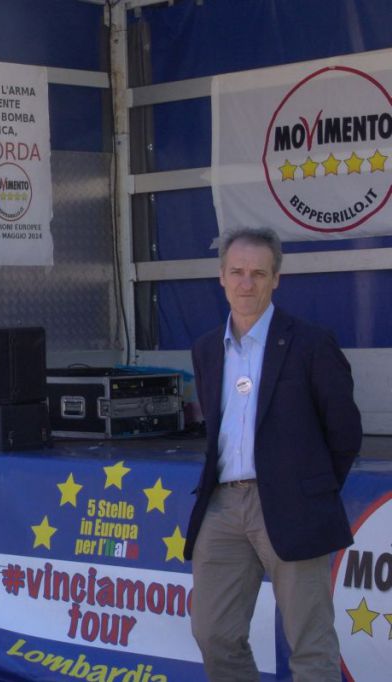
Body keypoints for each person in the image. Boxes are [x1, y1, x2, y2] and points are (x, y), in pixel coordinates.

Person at [184, 227, 362, 681]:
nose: (246, 283)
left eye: (258, 273)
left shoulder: (311, 343)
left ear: (276, 279)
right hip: (222, 506)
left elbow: (345, 431)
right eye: (237, 272)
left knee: (310, 643)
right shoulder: (206, 349)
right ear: (221, 276)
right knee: (213, 633)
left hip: (292, 505)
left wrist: (311, 490)